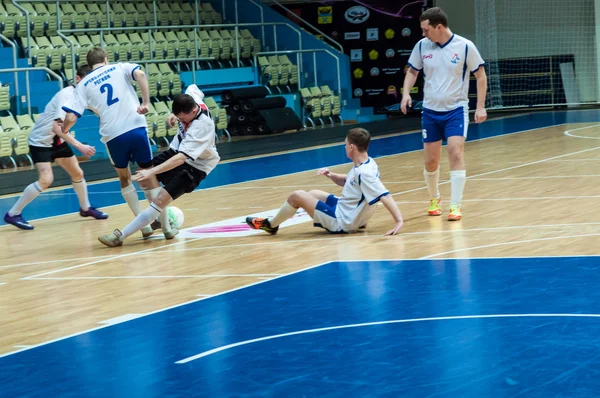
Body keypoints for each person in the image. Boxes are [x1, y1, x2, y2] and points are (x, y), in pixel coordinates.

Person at [97, 84, 220, 247]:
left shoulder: (203, 126)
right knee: (143, 177)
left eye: (182, 119)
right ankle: (158, 220)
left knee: (160, 196)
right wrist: (174, 115)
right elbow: (192, 87)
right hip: (176, 151)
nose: (180, 121)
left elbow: (180, 159)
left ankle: (120, 236)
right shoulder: (193, 100)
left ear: (193, 112)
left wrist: (152, 172)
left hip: (196, 166)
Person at [401, 6, 488, 221]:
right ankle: (434, 198)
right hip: (430, 111)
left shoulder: (465, 46)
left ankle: (455, 205)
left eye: (426, 29)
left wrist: (480, 106)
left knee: (455, 153)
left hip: (456, 110)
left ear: (438, 27)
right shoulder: (422, 46)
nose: (423, 34)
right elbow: (412, 71)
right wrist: (405, 94)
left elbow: (481, 76)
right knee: (431, 161)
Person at [61, 47, 158, 238]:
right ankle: (165, 224)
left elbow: (71, 116)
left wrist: (64, 129)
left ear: (89, 66)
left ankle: (143, 224)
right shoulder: (119, 67)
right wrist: (145, 102)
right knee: (148, 173)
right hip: (137, 126)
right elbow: (139, 73)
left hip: (114, 135)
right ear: (105, 59)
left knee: (124, 177)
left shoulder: (83, 84)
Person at [4, 65, 108, 230]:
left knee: (77, 173)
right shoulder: (66, 96)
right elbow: (56, 128)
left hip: (57, 141)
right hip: (41, 141)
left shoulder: (81, 96)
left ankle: (85, 208)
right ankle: (13, 213)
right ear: (78, 79)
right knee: (46, 180)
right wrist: (80, 146)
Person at [246, 128, 404, 236]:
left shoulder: (364, 172)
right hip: (349, 212)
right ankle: (359, 221)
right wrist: (331, 175)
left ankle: (271, 225)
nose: (344, 147)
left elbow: (385, 196)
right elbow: (349, 182)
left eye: (345, 145)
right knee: (314, 193)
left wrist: (398, 221)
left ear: (351, 147)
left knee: (297, 196)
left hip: (342, 222)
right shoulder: (368, 163)